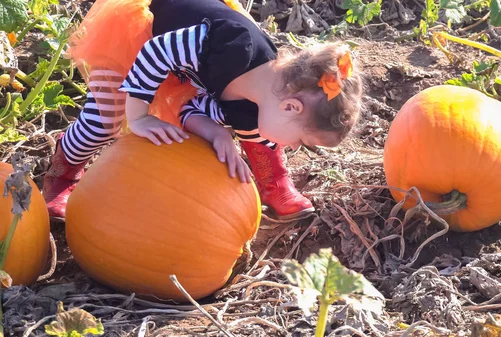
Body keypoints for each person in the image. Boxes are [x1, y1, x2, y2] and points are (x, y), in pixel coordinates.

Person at [42, 0, 364, 221]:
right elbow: (156, 52)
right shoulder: (234, 47)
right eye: (301, 140)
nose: (294, 146)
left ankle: (273, 182)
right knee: (105, 120)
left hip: (181, 69)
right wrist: (138, 116)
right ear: (291, 106)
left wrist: (217, 132)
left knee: (254, 124)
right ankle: (64, 169)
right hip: (140, 34)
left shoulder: (261, 98)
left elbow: (189, 107)